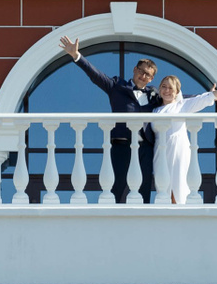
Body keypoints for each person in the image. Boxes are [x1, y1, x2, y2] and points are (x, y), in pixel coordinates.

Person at [59, 36, 159, 200]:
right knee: (118, 188)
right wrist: (77, 56)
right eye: (141, 71)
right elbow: (96, 75)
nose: (143, 75)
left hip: (145, 147)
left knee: (144, 188)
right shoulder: (117, 86)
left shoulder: (154, 94)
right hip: (122, 144)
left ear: (151, 79)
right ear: (135, 69)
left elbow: (175, 98)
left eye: (147, 74)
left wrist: (205, 97)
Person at [152, 76, 217, 205]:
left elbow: (203, 99)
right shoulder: (154, 110)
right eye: (164, 87)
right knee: (162, 186)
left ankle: (179, 210)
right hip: (160, 152)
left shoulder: (182, 105)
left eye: (171, 88)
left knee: (178, 183)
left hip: (178, 148)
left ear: (177, 92)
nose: (166, 90)